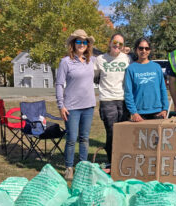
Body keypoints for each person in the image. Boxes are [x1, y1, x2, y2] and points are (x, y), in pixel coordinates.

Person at [56, 29, 96, 180]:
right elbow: (59, 84)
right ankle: (69, 168)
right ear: (73, 44)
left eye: (84, 42)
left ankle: (83, 167)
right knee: (72, 139)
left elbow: (108, 60)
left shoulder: (91, 61)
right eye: (78, 41)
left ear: (88, 45)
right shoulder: (65, 62)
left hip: (88, 106)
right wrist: (61, 106)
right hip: (71, 107)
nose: (81, 44)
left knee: (84, 138)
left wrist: (125, 52)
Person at [94, 33, 131, 167]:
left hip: (123, 100)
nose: (117, 45)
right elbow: (95, 77)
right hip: (107, 100)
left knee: (123, 133)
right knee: (111, 132)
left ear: (123, 46)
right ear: (110, 43)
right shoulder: (100, 59)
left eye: (120, 44)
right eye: (115, 42)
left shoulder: (127, 59)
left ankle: (123, 162)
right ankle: (112, 163)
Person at [124, 37, 168, 122]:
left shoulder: (156, 67)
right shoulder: (131, 69)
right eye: (141, 48)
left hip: (157, 112)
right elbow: (128, 93)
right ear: (136, 49)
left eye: (147, 48)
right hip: (139, 114)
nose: (144, 51)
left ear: (150, 50)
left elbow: (163, 89)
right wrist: (134, 112)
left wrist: (165, 108)